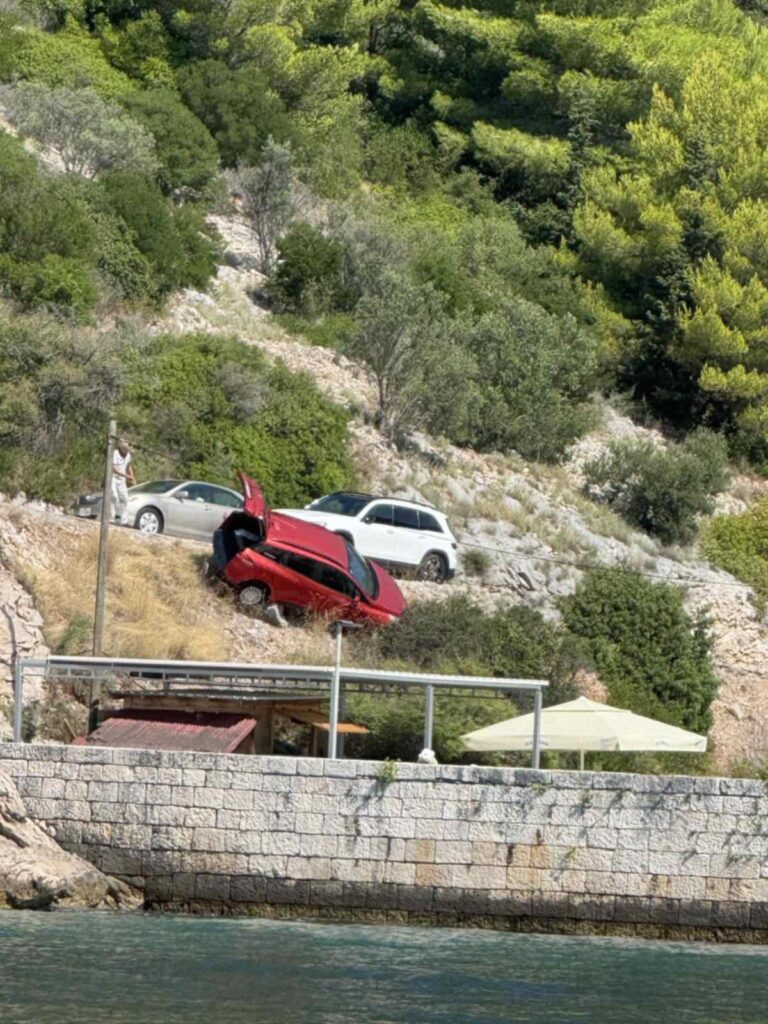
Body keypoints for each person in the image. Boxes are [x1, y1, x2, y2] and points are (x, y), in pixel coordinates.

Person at [111, 438, 135, 524]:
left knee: (124, 498)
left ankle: (122, 519)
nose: (127, 448)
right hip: (113, 478)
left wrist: (133, 477)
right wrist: (126, 476)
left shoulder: (128, 455)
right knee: (114, 497)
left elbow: (128, 466)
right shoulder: (115, 453)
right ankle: (112, 517)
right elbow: (113, 469)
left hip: (122, 480)